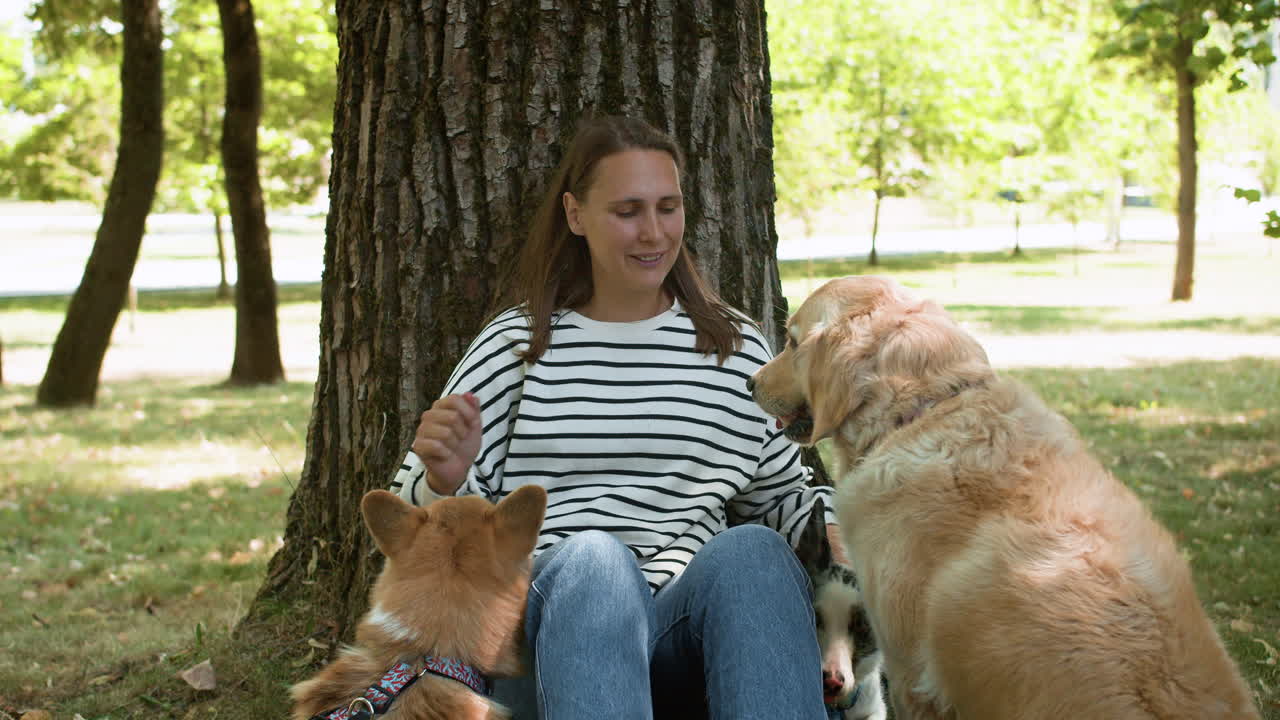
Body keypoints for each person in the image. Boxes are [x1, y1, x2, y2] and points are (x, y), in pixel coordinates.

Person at [390, 115, 838, 719]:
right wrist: (443, 479)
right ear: (576, 216)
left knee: (754, 552)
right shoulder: (518, 345)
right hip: (545, 635)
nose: (653, 232)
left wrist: (848, 530)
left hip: (684, 634)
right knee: (598, 560)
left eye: (667, 207)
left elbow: (783, 500)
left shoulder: (736, 351)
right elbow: (415, 526)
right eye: (627, 211)